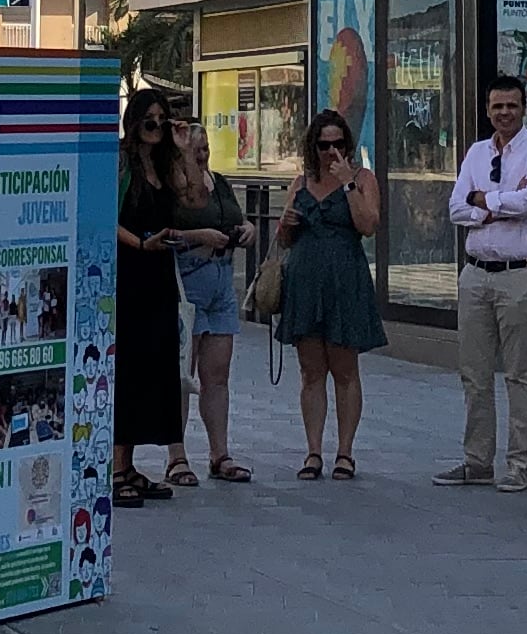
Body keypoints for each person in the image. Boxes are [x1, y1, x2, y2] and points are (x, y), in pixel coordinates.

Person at [437, 72, 527, 489]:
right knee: (474, 372)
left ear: (524, 107)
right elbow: (454, 207)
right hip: (475, 273)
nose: (504, 113)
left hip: (521, 274)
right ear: (487, 110)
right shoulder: (475, 153)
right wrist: (489, 206)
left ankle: (518, 465)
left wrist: (482, 199)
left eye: (512, 105)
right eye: (497, 106)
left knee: (520, 373)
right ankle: (477, 461)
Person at [273, 109, 386, 477]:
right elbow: (284, 239)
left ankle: (346, 452)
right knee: (311, 371)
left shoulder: (362, 178)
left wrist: (347, 183)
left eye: (338, 144)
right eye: (324, 145)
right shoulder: (301, 182)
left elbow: (368, 225)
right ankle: (313, 451)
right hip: (306, 280)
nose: (331, 152)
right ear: (313, 146)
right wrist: (286, 223)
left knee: (345, 368)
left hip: (344, 279)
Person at [160, 111, 254, 484]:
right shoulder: (176, 189)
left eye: (206, 149)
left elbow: (235, 215)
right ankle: (177, 455)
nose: (202, 156)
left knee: (217, 375)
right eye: (195, 150)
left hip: (221, 279)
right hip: (189, 278)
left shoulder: (221, 183)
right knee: (184, 373)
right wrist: (200, 235)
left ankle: (220, 452)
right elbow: (166, 230)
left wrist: (245, 228)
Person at [111, 89, 191, 509]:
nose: (157, 127)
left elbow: (193, 197)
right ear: (135, 121)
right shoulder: (122, 161)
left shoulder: (164, 164)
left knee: (155, 367)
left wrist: (181, 149)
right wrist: (140, 245)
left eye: (163, 120)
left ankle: (130, 464)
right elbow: (105, 217)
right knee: (129, 365)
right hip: (131, 272)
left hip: (159, 274)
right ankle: (115, 466)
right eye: (150, 120)